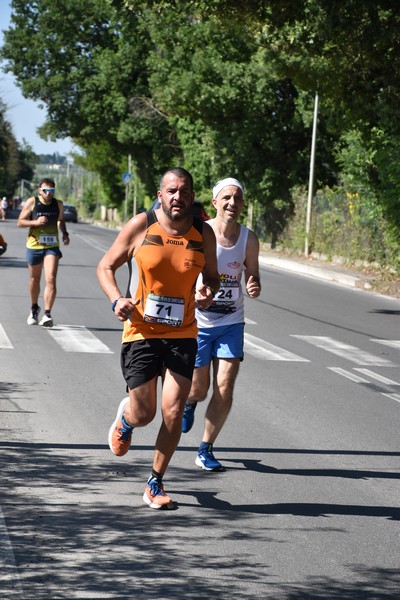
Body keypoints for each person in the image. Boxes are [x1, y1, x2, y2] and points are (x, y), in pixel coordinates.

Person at [97, 167, 220, 509]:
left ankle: (155, 481)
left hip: (183, 333)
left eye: (184, 191)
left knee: (174, 410)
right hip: (141, 331)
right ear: (160, 193)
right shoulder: (142, 224)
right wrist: (116, 300)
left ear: (192, 195)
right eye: (171, 190)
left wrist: (208, 291)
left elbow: (212, 277)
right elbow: (106, 266)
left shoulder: (202, 233)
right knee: (145, 413)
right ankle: (126, 418)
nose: (178, 197)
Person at [182, 177, 261, 471]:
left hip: (231, 321)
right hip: (199, 323)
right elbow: (184, 274)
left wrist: (253, 285)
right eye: (227, 197)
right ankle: (190, 404)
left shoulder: (248, 239)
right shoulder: (199, 233)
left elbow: (252, 275)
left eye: (238, 198)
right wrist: (196, 292)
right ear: (215, 202)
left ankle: (206, 447)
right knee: (198, 389)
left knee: (225, 386)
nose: (232, 203)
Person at [18, 178, 70, 327]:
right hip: (34, 245)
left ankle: (47, 314)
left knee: (51, 278)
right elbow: (20, 222)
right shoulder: (32, 202)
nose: (48, 193)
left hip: (52, 246)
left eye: (51, 191)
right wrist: (35, 222)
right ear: (40, 191)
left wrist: (65, 233)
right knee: (34, 279)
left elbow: (60, 219)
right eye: (45, 190)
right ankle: (34, 307)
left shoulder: (58, 204)